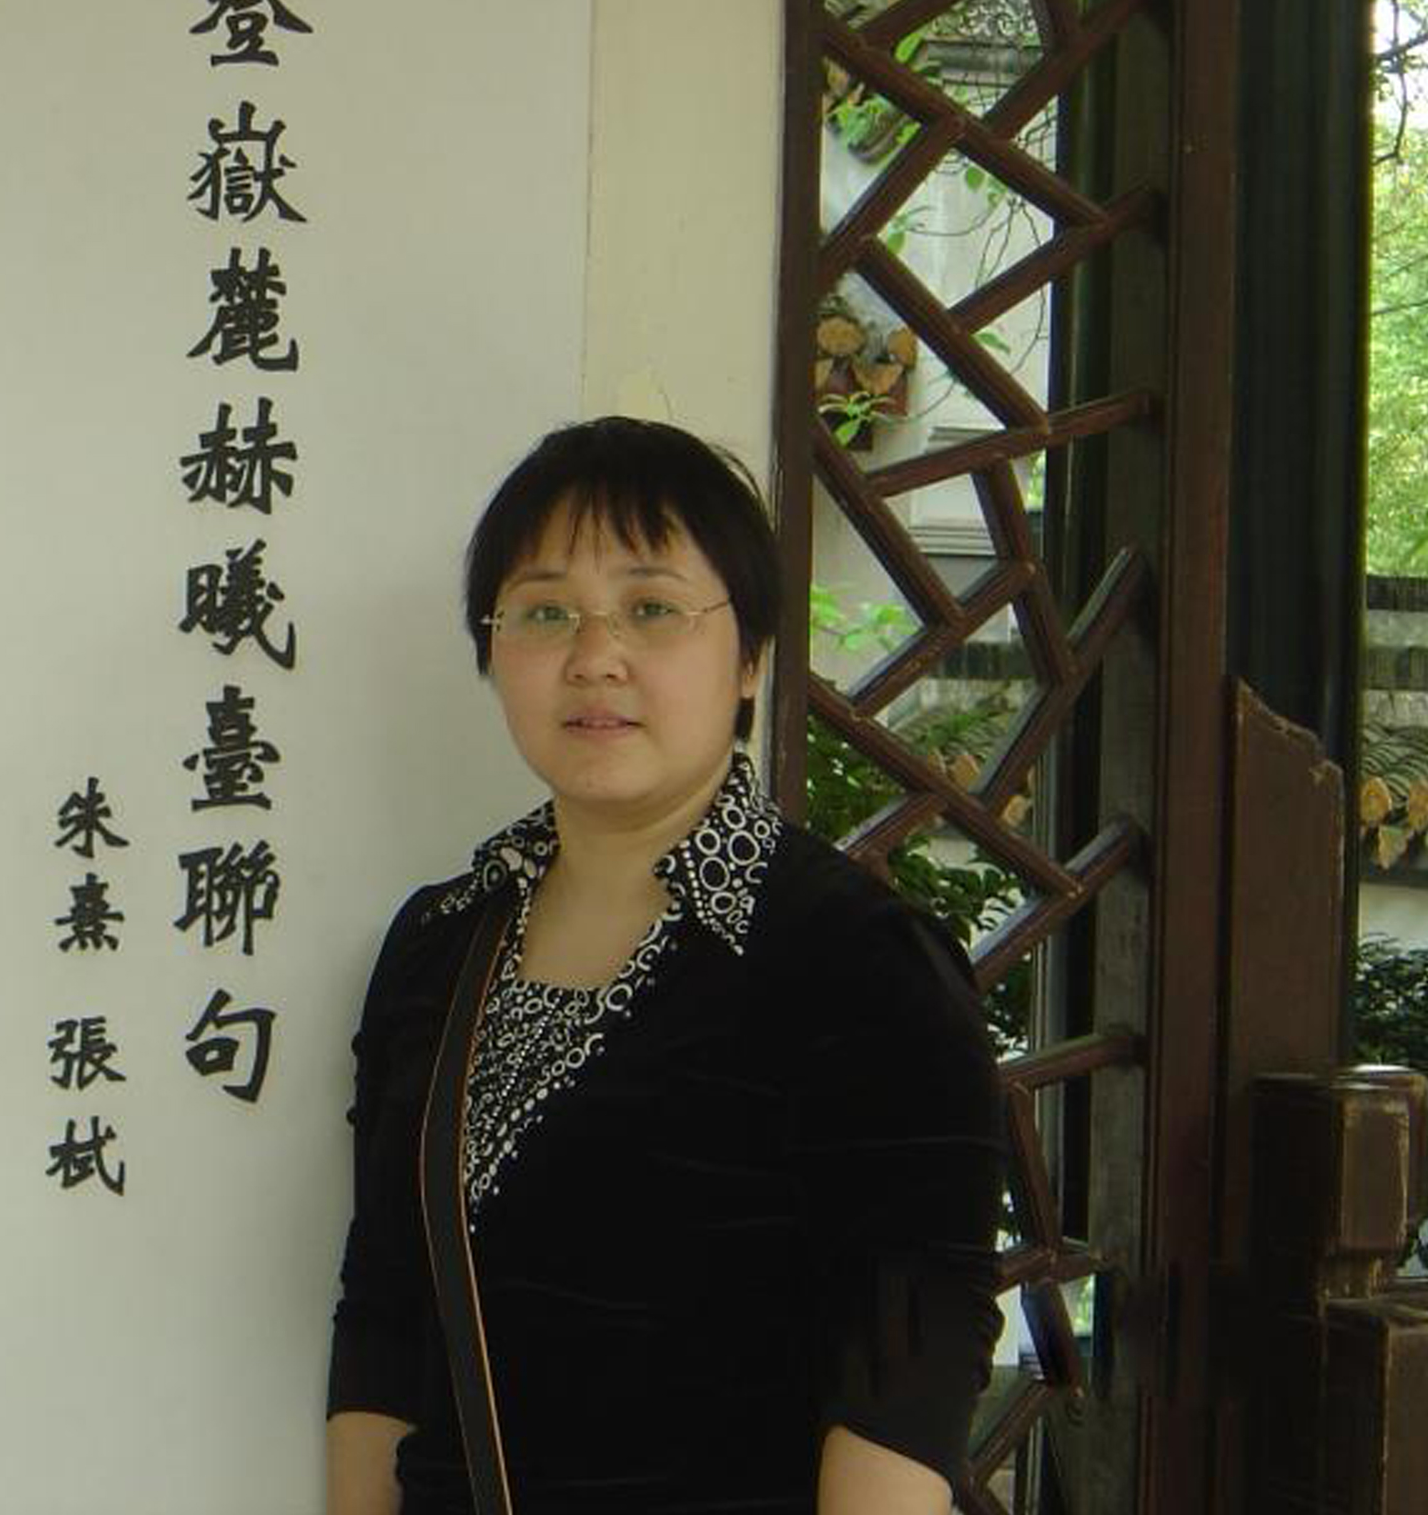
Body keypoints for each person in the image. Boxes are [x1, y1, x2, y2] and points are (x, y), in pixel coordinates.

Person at [326, 418, 1006, 1515]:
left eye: (651, 608)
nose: (594, 655)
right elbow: (384, 1314)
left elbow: (905, 1370)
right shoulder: (439, 943)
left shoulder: (860, 961)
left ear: (749, 658)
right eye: (544, 611)